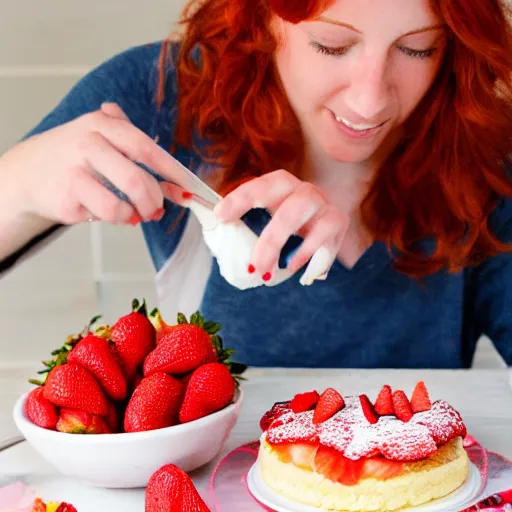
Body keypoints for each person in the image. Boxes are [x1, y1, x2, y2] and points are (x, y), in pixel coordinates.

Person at [0, 0, 511, 369]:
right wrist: (20, 183)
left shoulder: (481, 144)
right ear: (261, 17)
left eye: (418, 49)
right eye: (331, 45)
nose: (371, 100)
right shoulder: (167, 95)